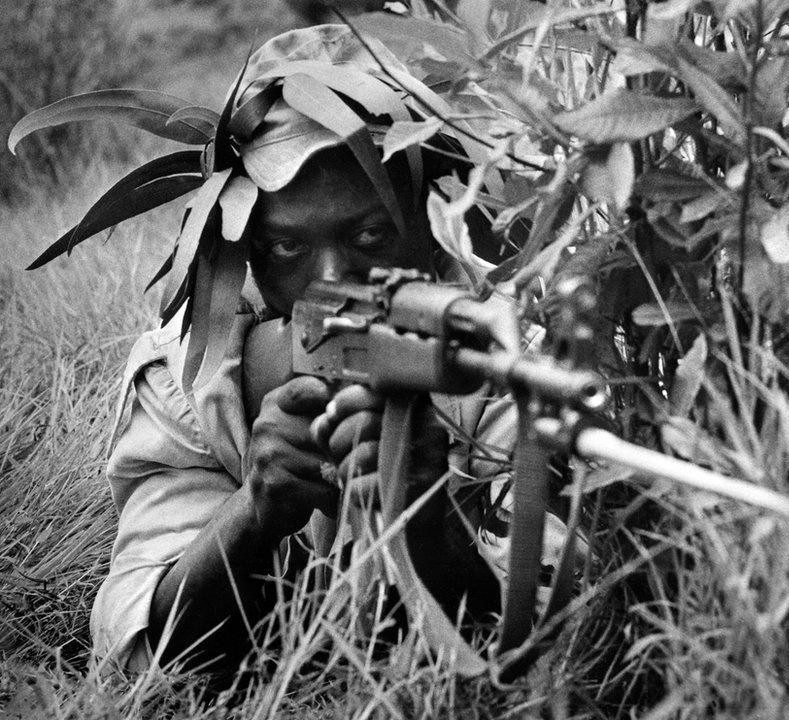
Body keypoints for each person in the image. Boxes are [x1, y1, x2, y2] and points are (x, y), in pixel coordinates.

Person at [65, 25, 573, 676]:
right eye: (286, 248)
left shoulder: (502, 353)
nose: (332, 281)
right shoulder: (194, 378)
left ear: (431, 216)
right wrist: (255, 512)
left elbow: (559, 639)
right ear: (240, 248)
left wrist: (427, 516)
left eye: (370, 234)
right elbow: (131, 639)